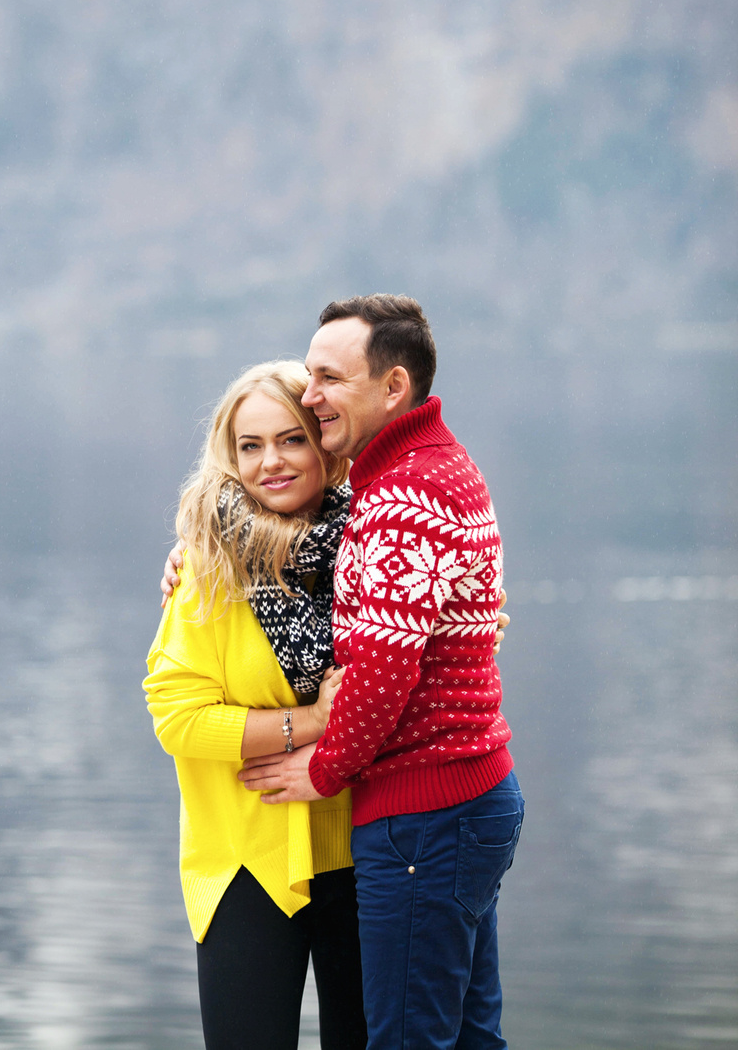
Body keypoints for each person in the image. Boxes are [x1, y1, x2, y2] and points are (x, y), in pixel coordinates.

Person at [238, 294, 522, 1050]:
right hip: (467, 796)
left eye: (329, 377)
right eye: (309, 375)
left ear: (392, 388)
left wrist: (322, 768)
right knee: (466, 1035)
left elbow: (385, 669)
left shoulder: (402, 494)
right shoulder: (428, 466)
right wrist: (192, 551)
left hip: (424, 816)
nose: (310, 395)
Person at [143, 360, 369, 1050]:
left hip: (371, 847)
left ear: (325, 444)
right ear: (230, 454)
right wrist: (313, 724)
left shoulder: (381, 545)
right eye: (250, 445)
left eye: (291, 439)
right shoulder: (209, 565)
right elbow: (178, 719)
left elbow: (467, 630)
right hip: (245, 856)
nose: (271, 462)